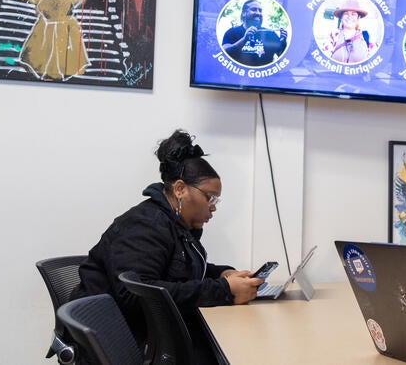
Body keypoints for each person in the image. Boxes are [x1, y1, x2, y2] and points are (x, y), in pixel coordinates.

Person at [72, 129, 263, 359]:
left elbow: (177, 269)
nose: (213, 206)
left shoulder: (174, 224)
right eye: (210, 197)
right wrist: (224, 291)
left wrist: (223, 274)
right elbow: (140, 293)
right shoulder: (145, 225)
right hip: (123, 338)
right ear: (180, 189)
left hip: (144, 331)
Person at [222, 0, 288, 66]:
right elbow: (224, 52)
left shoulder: (270, 34)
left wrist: (283, 42)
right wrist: (244, 40)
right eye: (254, 9)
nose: (258, 13)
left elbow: (282, 58)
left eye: (260, 10)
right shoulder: (232, 32)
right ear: (244, 13)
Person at [322, 0, 372, 64]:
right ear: (341, 17)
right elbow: (324, 60)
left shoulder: (365, 36)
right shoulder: (333, 35)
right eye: (346, 14)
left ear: (358, 17)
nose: (349, 17)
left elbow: (372, 62)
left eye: (353, 14)